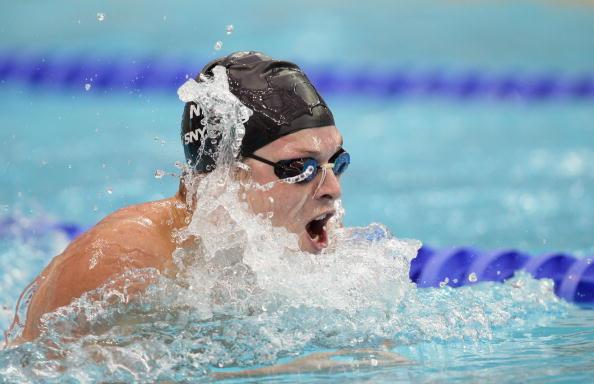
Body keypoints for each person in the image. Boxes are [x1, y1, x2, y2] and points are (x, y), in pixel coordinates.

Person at [11, 51, 350, 343]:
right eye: (299, 166)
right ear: (225, 175)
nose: (332, 189)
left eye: (335, 162)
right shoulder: (122, 262)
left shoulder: (276, 245)